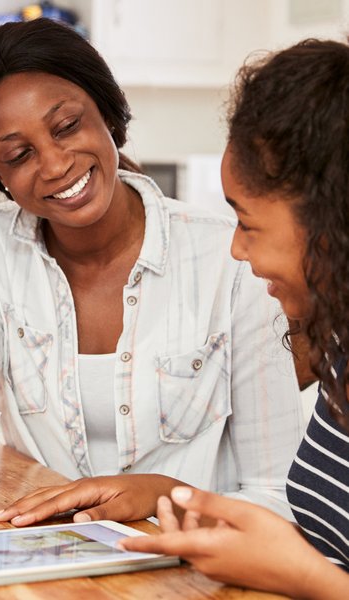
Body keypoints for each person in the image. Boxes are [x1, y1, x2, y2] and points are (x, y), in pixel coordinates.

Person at [0, 18, 303, 551]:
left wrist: (164, 497)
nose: (55, 164)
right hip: (43, 562)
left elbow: (276, 495)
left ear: (107, 112)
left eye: (66, 126)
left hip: (199, 568)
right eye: (18, 155)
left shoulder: (228, 256)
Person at [115, 39, 349, 598]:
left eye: (248, 223)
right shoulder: (337, 346)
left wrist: (305, 577)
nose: (237, 251)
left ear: (329, 222)